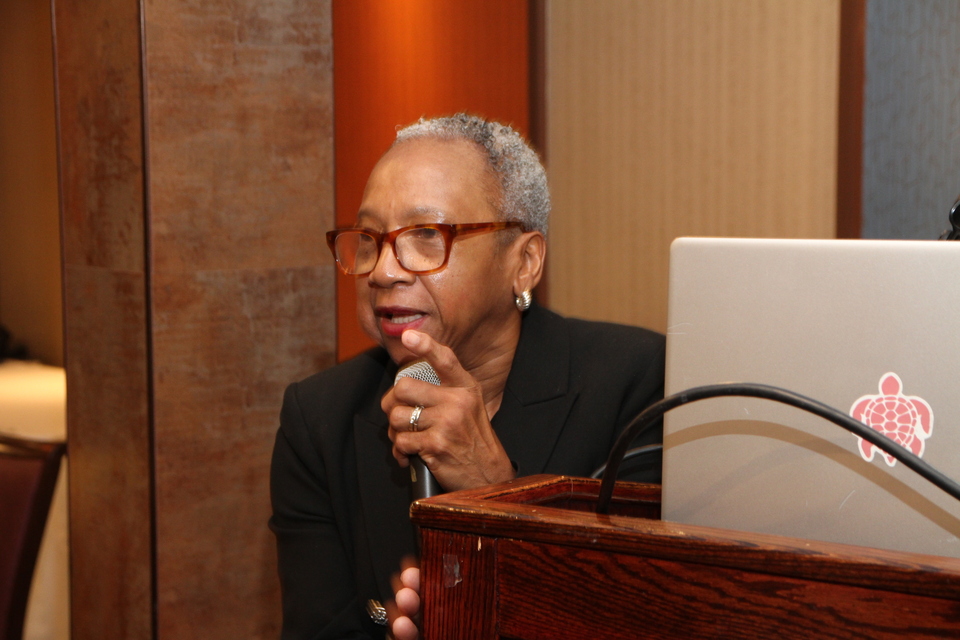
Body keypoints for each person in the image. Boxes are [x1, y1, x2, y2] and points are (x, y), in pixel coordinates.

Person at [269, 114, 665, 640]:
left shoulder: (637, 384)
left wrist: (491, 487)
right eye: (370, 238)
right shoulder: (319, 418)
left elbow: (647, 616)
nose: (383, 270)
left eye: (426, 235)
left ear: (523, 263)